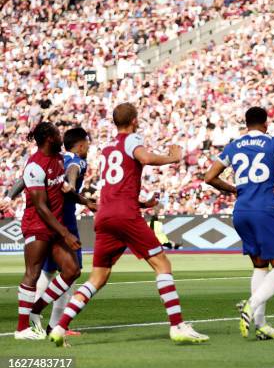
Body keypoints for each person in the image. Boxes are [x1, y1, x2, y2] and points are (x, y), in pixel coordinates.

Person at [49, 103, 208, 346]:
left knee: (97, 278)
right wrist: (171, 158)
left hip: (105, 215)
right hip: (125, 214)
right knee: (162, 264)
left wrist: (143, 202)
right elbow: (144, 157)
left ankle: (60, 328)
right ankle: (177, 325)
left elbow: (117, 185)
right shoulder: (131, 139)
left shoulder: (106, 148)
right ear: (134, 120)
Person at [204, 106, 274, 340]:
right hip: (263, 209)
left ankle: (261, 325)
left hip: (241, 211)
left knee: (260, 266)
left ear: (246, 124)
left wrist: (234, 189)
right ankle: (251, 304)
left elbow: (209, 177)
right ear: (265, 124)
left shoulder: (234, 145)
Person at [8, 127, 96, 336]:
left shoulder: (58, 158)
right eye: (57, 134)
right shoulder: (35, 166)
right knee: (33, 273)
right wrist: (65, 233)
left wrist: (86, 202)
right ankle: (22, 329)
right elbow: (41, 207)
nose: (61, 137)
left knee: (72, 270)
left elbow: (65, 188)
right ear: (49, 139)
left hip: (54, 224)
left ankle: (36, 310)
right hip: (37, 225)